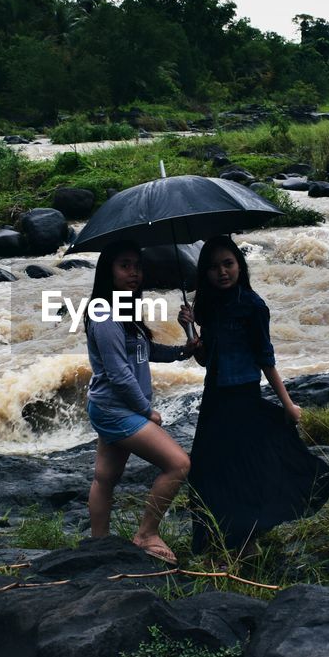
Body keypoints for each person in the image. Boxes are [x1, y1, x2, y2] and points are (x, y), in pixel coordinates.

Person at [186, 235, 329, 554]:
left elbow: (265, 358)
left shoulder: (253, 306)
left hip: (244, 398)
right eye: (213, 267)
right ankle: (224, 542)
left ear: (240, 265)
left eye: (228, 264)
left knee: (244, 472)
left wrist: (288, 403)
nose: (222, 272)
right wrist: (190, 332)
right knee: (206, 470)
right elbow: (204, 358)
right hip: (214, 399)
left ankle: (245, 542)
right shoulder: (206, 306)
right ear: (204, 273)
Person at [85, 240, 199, 565]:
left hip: (111, 406)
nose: (133, 273)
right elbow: (120, 375)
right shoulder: (104, 314)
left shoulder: (125, 308)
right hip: (116, 409)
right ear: (108, 271)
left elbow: (144, 351)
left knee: (105, 478)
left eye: (137, 265)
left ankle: (99, 546)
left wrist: (183, 349)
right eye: (124, 265)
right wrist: (146, 411)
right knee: (178, 464)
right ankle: (146, 535)